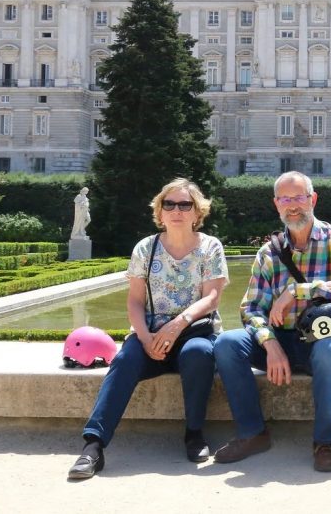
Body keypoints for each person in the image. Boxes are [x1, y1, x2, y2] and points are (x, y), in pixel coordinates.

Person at [67, 178, 228, 480]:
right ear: (160, 211)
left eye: (185, 204)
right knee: (125, 360)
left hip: (194, 331)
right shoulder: (146, 248)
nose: (177, 210)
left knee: (198, 354)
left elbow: (212, 297)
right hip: (150, 333)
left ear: (197, 212)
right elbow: (135, 302)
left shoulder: (210, 247)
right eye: (170, 204)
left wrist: (178, 324)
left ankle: (194, 433)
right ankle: (93, 446)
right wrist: (145, 337)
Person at [213, 171, 331, 473]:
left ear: (313, 199)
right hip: (281, 340)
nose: (293, 206)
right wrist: (270, 344)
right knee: (227, 343)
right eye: (285, 199)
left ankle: (324, 442)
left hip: (323, 341)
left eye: (299, 197)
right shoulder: (269, 252)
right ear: (276, 204)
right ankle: (253, 433)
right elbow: (251, 308)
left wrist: (298, 290)